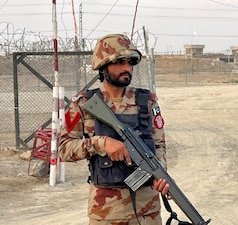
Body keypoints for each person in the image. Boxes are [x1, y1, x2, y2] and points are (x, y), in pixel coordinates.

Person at [58, 33, 170, 225]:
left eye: (130, 62)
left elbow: (159, 146)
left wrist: (160, 175)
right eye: (119, 62)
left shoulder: (147, 101)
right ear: (102, 67)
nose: (127, 68)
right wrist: (101, 144)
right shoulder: (84, 103)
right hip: (106, 211)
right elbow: (64, 149)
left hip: (148, 211)